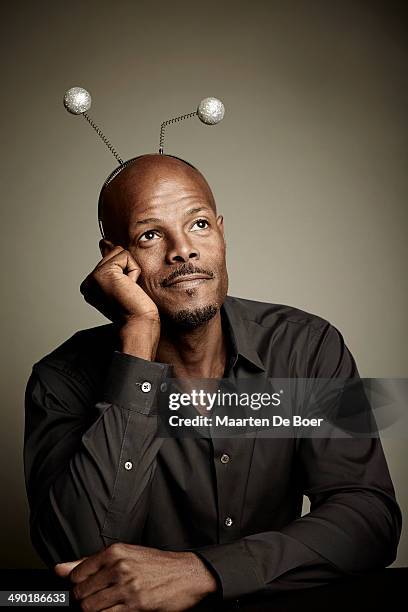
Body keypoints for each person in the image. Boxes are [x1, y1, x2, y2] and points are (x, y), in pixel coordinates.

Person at [24, 154, 402, 611]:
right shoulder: (61, 379)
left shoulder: (307, 347)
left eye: (198, 224)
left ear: (221, 231)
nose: (182, 250)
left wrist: (205, 571)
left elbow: (369, 518)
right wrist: (138, 338)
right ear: (114, 259)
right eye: (150, 234)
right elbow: (75, 556)